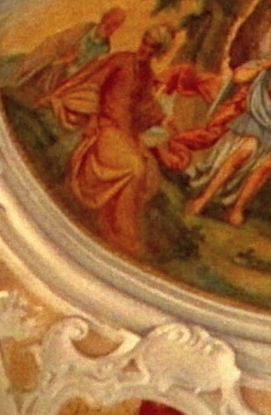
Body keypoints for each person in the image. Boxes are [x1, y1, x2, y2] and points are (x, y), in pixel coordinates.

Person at [52, 25, 181, 257]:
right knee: (135, 168)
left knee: (150, 174)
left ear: (158, 52)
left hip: (126, 134)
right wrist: (92, 117)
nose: (145, 50)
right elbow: (92, 81)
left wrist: (164, 121)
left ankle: (110, 220)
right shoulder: (121, 60)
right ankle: (124, 234)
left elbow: (145, 107)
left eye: (152, 48)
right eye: (145, 43)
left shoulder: (147, 74)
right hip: (107, 128)